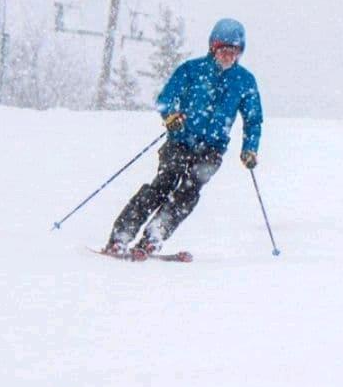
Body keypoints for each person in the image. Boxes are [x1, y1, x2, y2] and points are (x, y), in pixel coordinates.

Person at [103, 18, 263, 259]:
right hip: (180, 141)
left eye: (234, 51)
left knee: (189, 192)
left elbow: (253, 119)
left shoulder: (244, 81)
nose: (228, 56)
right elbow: (166, 98)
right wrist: (171, 116)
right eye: (223, 50)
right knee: (163, 184)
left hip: (212, 149)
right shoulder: (192, 70)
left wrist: (249, 149)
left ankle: (154, 236)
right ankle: (121, 236)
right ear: (213, 47)